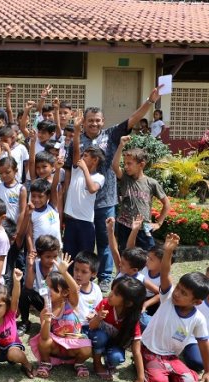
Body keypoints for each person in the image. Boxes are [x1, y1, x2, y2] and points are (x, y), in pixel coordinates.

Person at [64, 86, 162, 292]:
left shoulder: (111, 134)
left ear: (103, 121)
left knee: (106, 240)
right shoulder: (76, 140)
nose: (94, 123)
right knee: (82, 243)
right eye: (90, 120)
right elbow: (69, 172)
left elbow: (132, 119)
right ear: (85, 121)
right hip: (80, 204)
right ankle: (80, 276)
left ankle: (105, 276)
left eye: (98, 120)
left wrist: (150, 102)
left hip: (105, 200)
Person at [140, 233, 209, 382]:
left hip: (171, 356)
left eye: (184, 293)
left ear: (197, 302)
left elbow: (203, 343)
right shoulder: (168, 298)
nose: (177, 293)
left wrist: (207, 370)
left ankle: (162, 370)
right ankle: (144, 364)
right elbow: (164, 273)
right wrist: (168, 251)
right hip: (150, 349)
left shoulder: (198, 319)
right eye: (178, 288)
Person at [31, 254, 92, 378]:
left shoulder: (71, 304)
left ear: (64, 292)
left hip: (74, 345)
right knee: (42, 341)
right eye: (45, 287)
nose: (47, 291)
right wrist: (47, 321)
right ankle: (46, 362)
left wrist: (64, 273)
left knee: (87, 349)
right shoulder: (46, 310)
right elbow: (44, 336)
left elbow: (74, 290)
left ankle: (79, 363)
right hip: (56, 346)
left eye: (51, 288)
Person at [112, 136, 170, 251]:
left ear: (141, 165)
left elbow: (167, 204)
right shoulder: (125, 179)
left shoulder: (151, 183)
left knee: (149, 255)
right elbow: (114, 166)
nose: (126, 166)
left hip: (144, 227)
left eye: (129, 164)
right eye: (125, 163)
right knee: (126, 255)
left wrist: (158, 223)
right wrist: (121, 146)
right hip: (125, 226)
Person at [88, 276, 146, 382]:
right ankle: (97, 363)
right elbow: (91, 326)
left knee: (117, 358)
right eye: (112, 290)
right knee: (100, 336)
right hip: (96, 340)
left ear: (128, 303)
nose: (110, 294)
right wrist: (98, 317)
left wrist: (140, 379)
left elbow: (136, 351)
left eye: (116, 294)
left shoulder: (132, 321)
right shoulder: (105, 304)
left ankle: (108, 360)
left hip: (113, 345)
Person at [63, 111, 105, 260]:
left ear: (95, 161)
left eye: (86, 156)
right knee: (68, 255)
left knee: (84, 258)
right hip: (71, 220)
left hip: (86, 223)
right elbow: (75, 150)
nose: (82, 157)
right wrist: (76, 130)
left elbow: (92, 189)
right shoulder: (76, 170)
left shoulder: (99, 177)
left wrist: (85, 169)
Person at [18, 235, 60, 336]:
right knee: (25, 292)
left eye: (54, 256)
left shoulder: (58, 267)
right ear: (39, 255)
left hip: (55, 303)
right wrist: (31, 266)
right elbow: (28, 286)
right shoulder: (35, 265)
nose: (51, 260)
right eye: (48, 257)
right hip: (42, 300)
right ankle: (24, 322)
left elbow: (61, 294)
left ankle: (56, 322)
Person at [27, 177, 61, 251]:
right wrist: (31, 250)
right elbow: (29, 234)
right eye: (33, 196)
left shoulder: (52, 206)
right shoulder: (30, 213)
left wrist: (58, 169)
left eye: (40, 196)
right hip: (40, 253)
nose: (36, 199)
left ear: (48, 196)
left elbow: (54, 187)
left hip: (56, 250)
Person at [72, 251, 103, 331]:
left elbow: (98, 308)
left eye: (84, 272)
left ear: (93, 274)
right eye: (76, 269)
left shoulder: (96, 289)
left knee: (101, 339)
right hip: (71, 324)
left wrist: (94, 315)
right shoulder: (69, 286)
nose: (78, 274)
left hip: (89, 326)